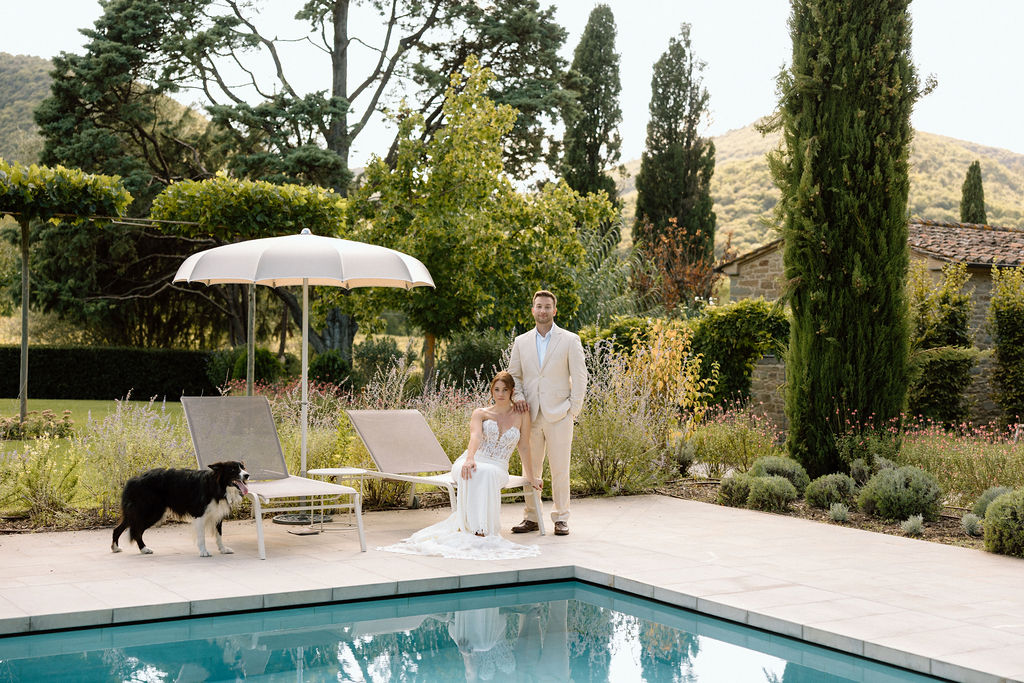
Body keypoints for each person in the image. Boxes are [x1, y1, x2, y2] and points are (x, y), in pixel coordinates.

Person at [379, 372, 541, 560]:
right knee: (476, 471)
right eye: (497, 389)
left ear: (512, 391)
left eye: (505, 390)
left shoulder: (522, 414)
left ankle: (482, 528)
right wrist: (470, 458)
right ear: (492, 391)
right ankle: (476, 530)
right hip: (473, 459)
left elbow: (524, 446)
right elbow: (476, 437)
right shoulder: (481, 413)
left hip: (498, 466)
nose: (501, 394)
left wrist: (531, 477)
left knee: (487, 473)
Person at [508, 290, 588, 537]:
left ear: (555, 310)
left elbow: (581, 376)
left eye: (547, 307)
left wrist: (572, 410)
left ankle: (561, 518)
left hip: (560, 415)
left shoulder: (569, 340)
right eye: (538, 306)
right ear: (532, 310)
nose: (542, 311)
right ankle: (532, 517)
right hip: (530, 415)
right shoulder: (521, 342)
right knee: (530, 469)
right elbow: (514, 376)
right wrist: (518, 398)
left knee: (560, 469)